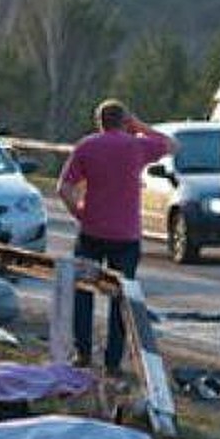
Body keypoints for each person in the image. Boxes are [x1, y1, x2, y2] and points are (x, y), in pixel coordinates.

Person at [58, 100, 177, 374]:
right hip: (125, 236)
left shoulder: (86, 146)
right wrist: (140, 126)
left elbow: (63, 188)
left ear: (99, 121)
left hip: (92, 231)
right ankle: (113, 361)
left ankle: (83, 351)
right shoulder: (137, 146)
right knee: (120, 298)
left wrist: (78, 212)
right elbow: (171, 145)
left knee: (84, 291)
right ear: (125, 121)